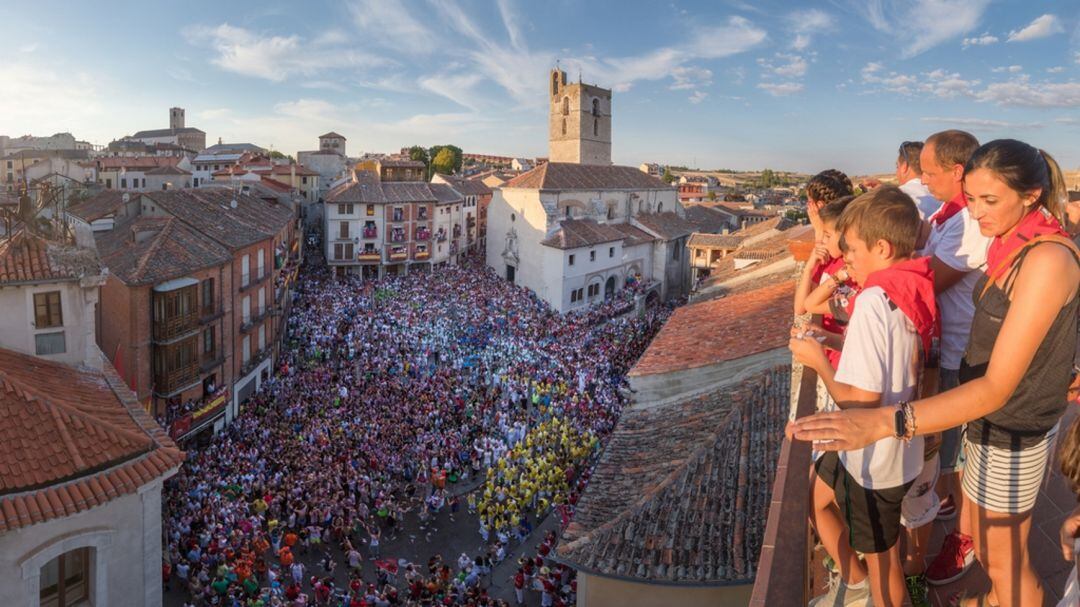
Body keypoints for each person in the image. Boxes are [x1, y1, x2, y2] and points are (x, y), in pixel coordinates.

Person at [791, 140, 1080, 607]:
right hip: (992, 421)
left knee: (1006, 561)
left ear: (1031, 195)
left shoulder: (1046, 258)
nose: (977, 212)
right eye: (971, 199)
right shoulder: (1010, 241)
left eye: (990, 201)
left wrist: (887, 421)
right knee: (985, 545)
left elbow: (998, 384)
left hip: (1015, 424)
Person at [790, 186, 936, 606]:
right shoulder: (910, 288)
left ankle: (867, 592)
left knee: (884, 568)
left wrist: (818, 359)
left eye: (851, 248)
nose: (845, 257)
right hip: (895, 449)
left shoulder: (873, 299)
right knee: (817, 496)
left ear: (883, 247)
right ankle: (853, 584)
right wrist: (834, 336)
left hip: (874, 460)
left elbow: (863, 400)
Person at [913, 130, 989, 590]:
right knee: (947, 446)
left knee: (957, 451)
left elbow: (928, 280)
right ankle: (946, 500)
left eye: (929, 171)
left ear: (957, 172)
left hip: (962, 352)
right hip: (947, 345)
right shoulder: (947, 215)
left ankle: (964, 533)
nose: (922, 180)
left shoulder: (969, 223)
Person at [896, 140, 941, 220]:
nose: (896, 172)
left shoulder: (896, 198)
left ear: (904, 167)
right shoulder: (942, 196)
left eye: (897, 167)